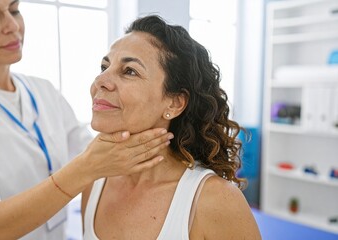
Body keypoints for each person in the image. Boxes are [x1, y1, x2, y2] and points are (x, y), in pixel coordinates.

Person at [0, 1, 174, 239]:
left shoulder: (43, 91)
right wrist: (87, 168)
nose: (12, 26)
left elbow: (102, 160)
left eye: (14, 10)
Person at [82, 15, 262, 240]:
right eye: (104, 66)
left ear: (174, 103)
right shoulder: (94, 183)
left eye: (129, 71)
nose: (101, 79)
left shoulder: (214, 200)